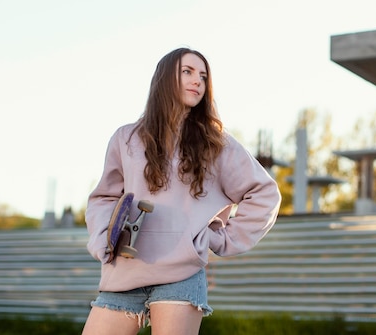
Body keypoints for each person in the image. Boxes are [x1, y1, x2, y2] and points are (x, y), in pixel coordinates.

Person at [81, 47, 282, 335]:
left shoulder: (217, 143)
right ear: (164, 79)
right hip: (123, 271)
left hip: (181, 275)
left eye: (203, 75)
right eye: (187, 71)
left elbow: (265, 194)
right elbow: (104, 197)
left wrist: (219, 239)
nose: (197, 81)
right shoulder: (125, 138)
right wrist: (103, 240)